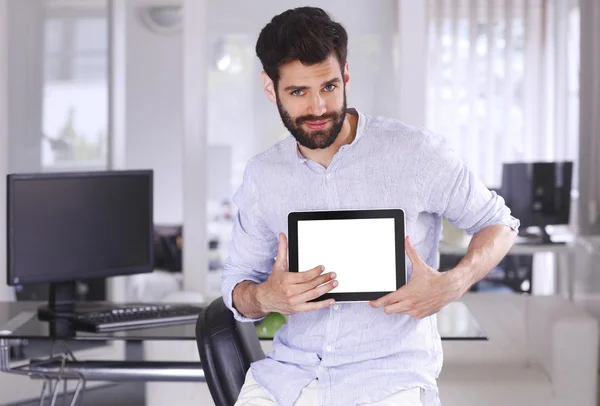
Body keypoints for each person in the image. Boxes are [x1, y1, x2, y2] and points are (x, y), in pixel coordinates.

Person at [221, 6, 519, 406]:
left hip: (388, 379)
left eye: (328, 86)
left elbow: (498, 222)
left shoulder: (416, 152)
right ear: (270, 88)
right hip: (289, 378)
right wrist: (264, 298)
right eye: (298, 92)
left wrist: (454, 282)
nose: (318, 108)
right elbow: (237, 284)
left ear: (345, 75)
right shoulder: (262, 176)